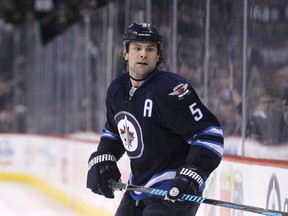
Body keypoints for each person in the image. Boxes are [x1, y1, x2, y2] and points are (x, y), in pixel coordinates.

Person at [86, 23, 224, 216]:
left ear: (158, 56)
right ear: (125, 53)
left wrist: (192, 174)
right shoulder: (117, 89)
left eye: (150, 49)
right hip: (138, 190)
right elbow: (114, 133)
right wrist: (104, 157)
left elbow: (209, 134)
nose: (143, 54)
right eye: (137, 48)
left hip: (173, 191)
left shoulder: (171, 90)